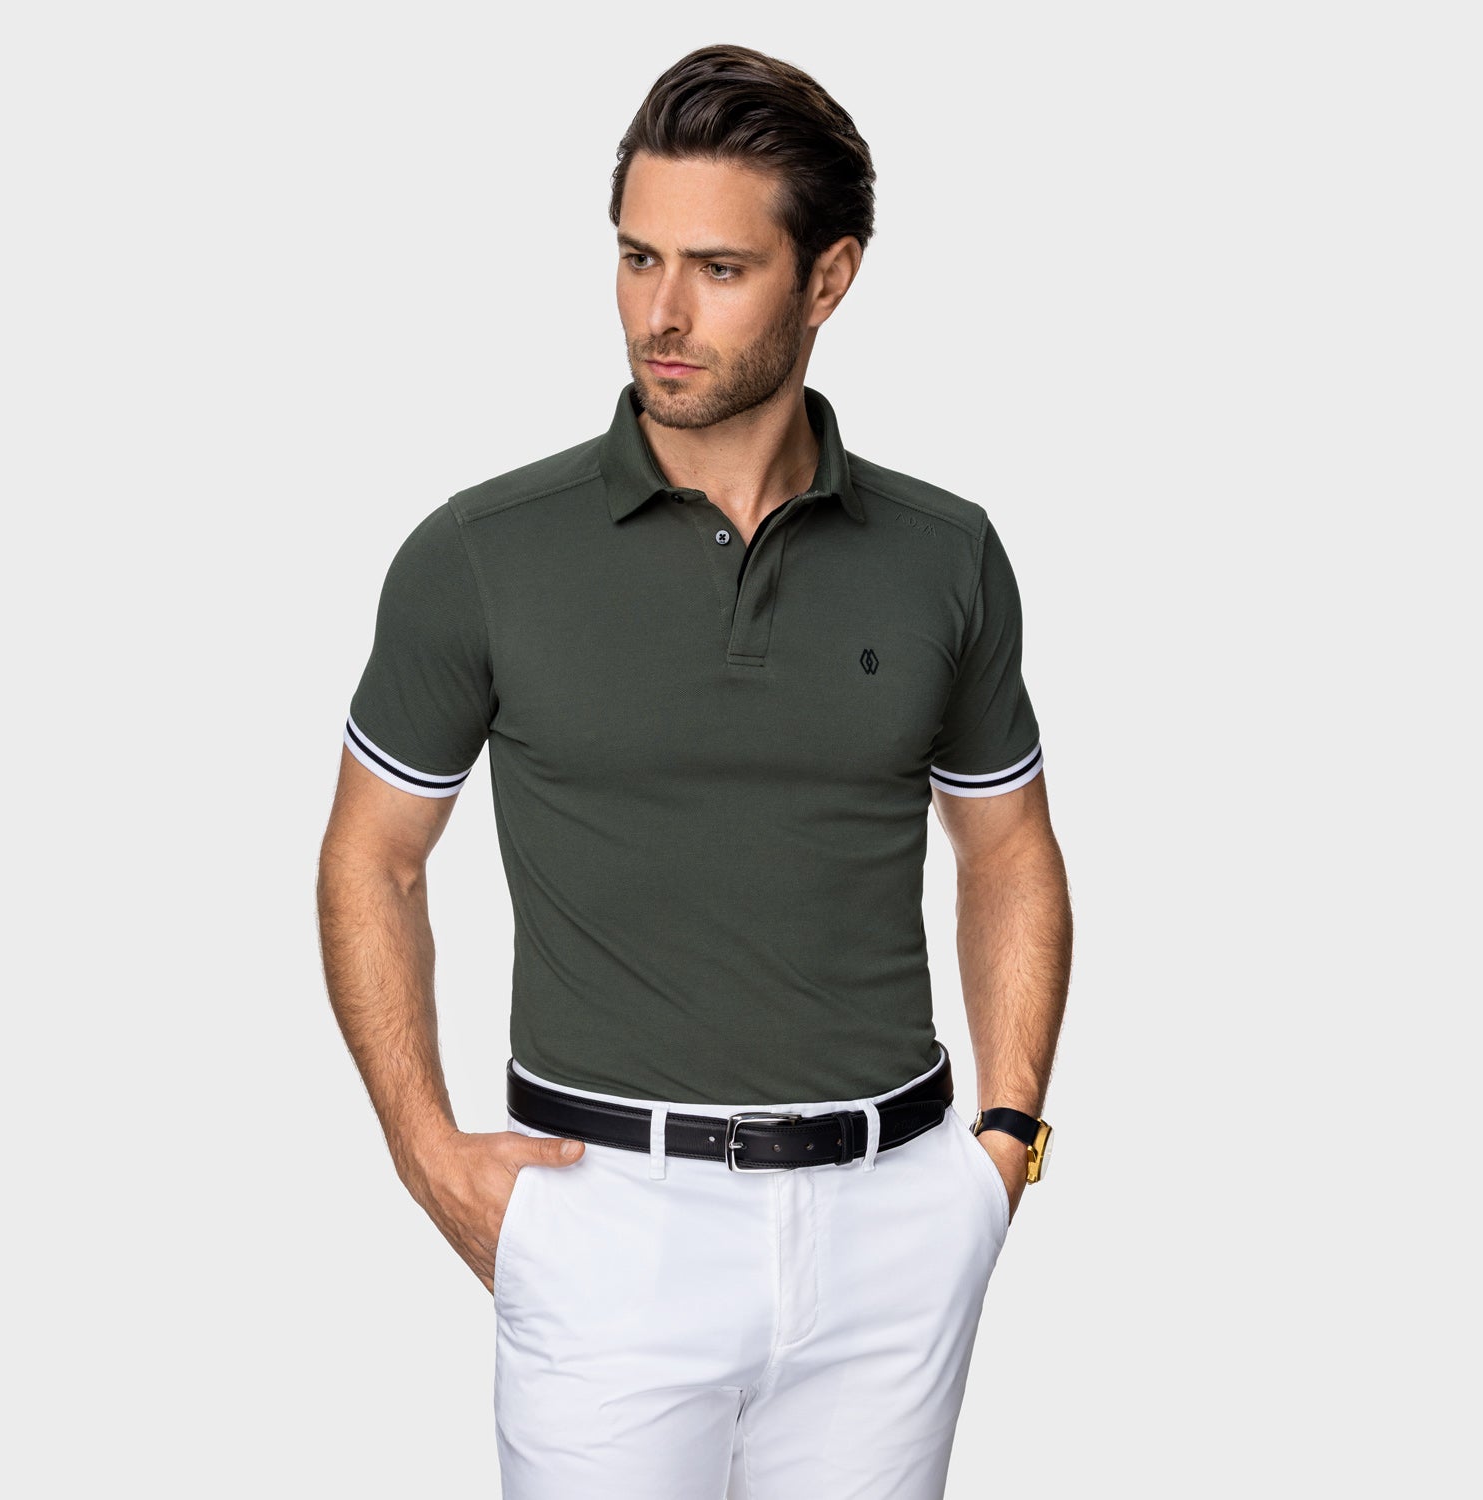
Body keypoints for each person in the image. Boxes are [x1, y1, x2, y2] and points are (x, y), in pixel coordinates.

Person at [317, 40, 1072, 1500]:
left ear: (829, 278)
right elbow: (373, 854)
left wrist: (1005, 1144)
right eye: (637, 257)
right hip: (605, 1222)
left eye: (719, 269)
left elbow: (1008, 844)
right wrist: (423, 1149)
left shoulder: (946, 554)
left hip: (898, 1224)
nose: (660, 315)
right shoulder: (482, 555)